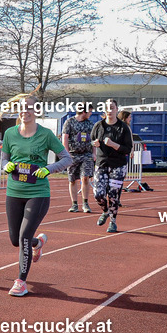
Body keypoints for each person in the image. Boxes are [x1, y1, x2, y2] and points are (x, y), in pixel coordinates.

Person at [1, 93, 72, 297]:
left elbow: (67, 158)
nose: (26, 111)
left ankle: (21, 281)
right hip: (14, 192)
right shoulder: (10, 134)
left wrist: (49, 168)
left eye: (30, 108)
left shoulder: (46, 134)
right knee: (16, 239)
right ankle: (37, 243)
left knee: (23, 235)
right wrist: (8, 166)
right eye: (23, 108)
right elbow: (3, 160)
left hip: (38, 193)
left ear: (36, 111)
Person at [90, 99, 133, 233]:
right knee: (98, 194)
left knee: (113, 195)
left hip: (118, 165)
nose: (109, 110)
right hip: (101, 164)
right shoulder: (98, 125)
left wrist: (114, 145)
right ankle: (105, 211)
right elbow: (91, 140)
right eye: (107, 107)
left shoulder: (123, 127)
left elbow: (128, 148)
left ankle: (113, 222)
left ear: (116, 109)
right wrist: (94, 143)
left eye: (112, 107)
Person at [61, 105, 96, 213]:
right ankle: (74, 204)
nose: (90, 114)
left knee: (85, 178)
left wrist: (94, 153)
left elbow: (94, 139)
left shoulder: (90, 124)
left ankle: (85, 203)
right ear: (84, 111)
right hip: (73, 154)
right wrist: (66, 154)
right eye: (89, 111)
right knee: (72, 180)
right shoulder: (69, 122)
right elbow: (65, 137)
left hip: (86, 154)